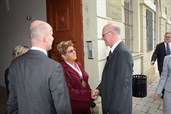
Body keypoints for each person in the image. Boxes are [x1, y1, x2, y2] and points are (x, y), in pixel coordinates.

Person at [7, 20, 72, 114]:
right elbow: (62, 107)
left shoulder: (15, 63)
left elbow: (12, 102)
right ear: (45, 38)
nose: (53, 38)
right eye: (52, 35)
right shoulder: (54, 67)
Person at [91, 23, 133, 114]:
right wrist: (99, 90)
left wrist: (113, 110)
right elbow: (110, 78)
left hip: (117, 109)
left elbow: (121, 86)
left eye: (103, 35)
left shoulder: (122, 53)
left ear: (111, 33)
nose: (102, 38)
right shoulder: (115, 51)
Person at [57, 40, 92, 114]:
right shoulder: (62, 69)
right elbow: (69, 92)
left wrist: (91, 94)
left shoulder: (78, 64)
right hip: (74, 107)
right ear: (63, 56)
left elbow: (85, 81)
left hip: (86, 105)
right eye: (70, 51)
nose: (74, 52)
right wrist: (88, 94)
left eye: (74, 49)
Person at [151, 32, 171, 97]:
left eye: (169, 37)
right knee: (163, 79)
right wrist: (153, 60)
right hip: (162, 66)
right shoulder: (159, 46)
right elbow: (155, 53)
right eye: (166, 36)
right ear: (164, 37)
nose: (167, 38)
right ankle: (163, 93)